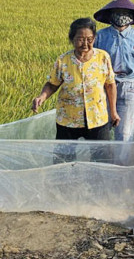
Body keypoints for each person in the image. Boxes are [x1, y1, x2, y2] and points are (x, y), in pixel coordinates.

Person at [32, 18, 120, 161]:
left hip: (97, 117)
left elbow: (110, 85)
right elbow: (52, 84)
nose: (85, 44)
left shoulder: (103, 57)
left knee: (102, 158)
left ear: (94, 38)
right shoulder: (63, 60)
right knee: (64, 158)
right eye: (80, 39)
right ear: (72, 39)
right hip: (68, 119)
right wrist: (42, 97)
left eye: (89, 39)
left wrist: (114, 112)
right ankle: (65, 183)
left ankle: (98, 183)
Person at [93, 0, 134, 142]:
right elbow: (92, 67)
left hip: (129, 86)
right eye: (117, 12)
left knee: (125, 135)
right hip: (104, 88)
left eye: (125, 12)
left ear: (131, 15)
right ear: (111, 15)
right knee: (101, 131)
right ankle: (103, 163)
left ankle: (121, 164)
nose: (121, 16)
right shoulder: (100, 36)